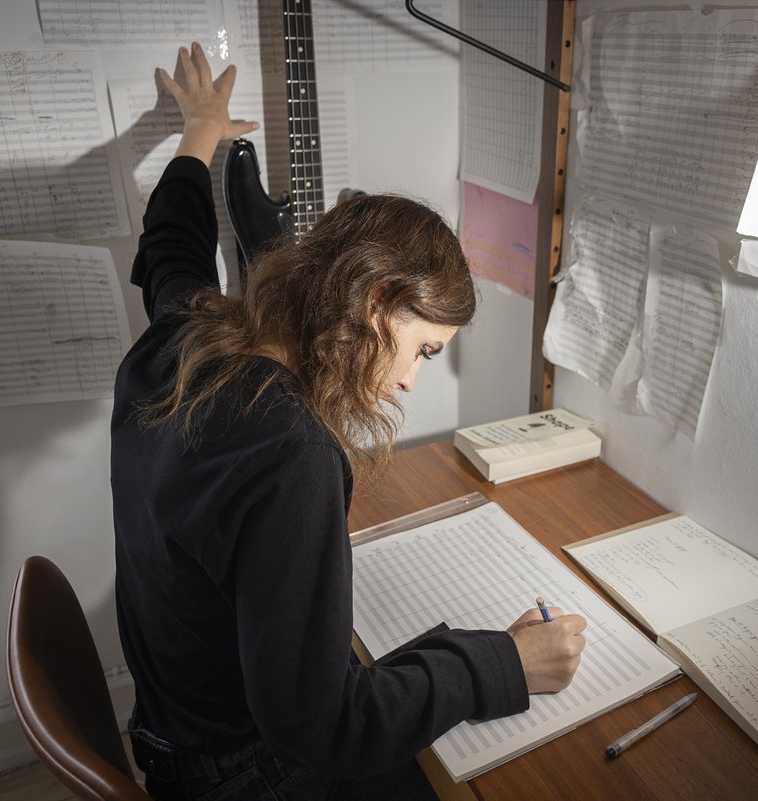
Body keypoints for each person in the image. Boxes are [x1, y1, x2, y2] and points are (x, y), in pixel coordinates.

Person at [110, 43, 588, 801]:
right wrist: (505, 666)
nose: (408, 378)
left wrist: (199, 129)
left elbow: (171, 241)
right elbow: (322, 725)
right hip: (243, 771)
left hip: (170, 731)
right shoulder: (286, 449)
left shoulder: (181, 337)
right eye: (424, 348)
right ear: (373, 305)